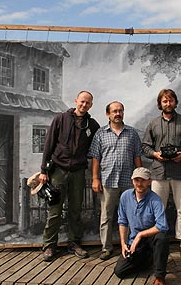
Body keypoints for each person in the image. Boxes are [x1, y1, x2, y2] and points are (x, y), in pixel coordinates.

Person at [39, 91, 100, 262]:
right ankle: (50, 245)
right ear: (76, 101)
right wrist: (44, 170)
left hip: (78, 172)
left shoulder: (92, 125)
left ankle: (74, 242)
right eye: (82, 101)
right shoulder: (60, 119)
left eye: (88, 103)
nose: (84, 105)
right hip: (58, 170)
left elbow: (96, 147)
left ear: (91, 105)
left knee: (75, 209)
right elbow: (49, 144)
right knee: (55, 210)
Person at [142, 89, 181, 261]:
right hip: (159, 172)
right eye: (164, 101)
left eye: (171, 100)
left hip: (180, 172)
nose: (168, 104)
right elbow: (145, 146)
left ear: (175, 102)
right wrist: (155, 154)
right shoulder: (153, 124)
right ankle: (159, 244)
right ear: (160, 103)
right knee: (158, 211)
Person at [88, 101, 142, 261]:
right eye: (114, 111)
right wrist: (95, 179)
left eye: (120, 111)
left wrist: (140, 178)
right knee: (106, 216)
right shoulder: (100, 134)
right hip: (108, 181)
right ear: (108, 114)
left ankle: (133, 245)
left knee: (133, 215)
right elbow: (95, 158)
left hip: (128, 182)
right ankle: (106, 248)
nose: (118, 113)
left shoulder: (132, 133)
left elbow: (137, 157)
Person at [114, 167, 169, 285]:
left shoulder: (155, 199)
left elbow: (162, 226)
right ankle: (149, 260)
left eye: (143, 180)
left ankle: (160, 277)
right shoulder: (125, 196)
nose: (139, 184)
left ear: (149, 181)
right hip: (134, 240)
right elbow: (122, 221)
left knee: (162, 238)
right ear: (132, 181)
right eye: (136, 180)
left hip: (151, 238)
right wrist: (123, 243)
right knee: (119, 271)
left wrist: (140, 235)